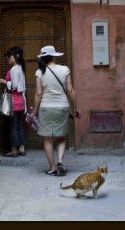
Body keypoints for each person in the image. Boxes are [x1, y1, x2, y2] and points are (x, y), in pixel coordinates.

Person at [30, 45, 81, 176]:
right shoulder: (64, 69)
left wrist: (34, 111)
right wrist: (76, 107)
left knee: (47, 139)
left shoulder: (39, 72)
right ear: (53, 56)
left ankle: (52, 168)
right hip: (62, 107)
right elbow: (70, 90)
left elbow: (38, 93)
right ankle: (60, 161)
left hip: (46, 108)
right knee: (62, 137)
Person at [0, 46, 27, 157]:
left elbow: (14, 86)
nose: (8, 58)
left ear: (16, 57)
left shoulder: (14, 69)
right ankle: (22, 148)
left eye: (10, 56)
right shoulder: (21, 68)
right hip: (20, 101)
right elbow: (21, 87)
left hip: (13, 101)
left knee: (12, 126)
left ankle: (14, 150)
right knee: (19, 126)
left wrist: (3, 81)